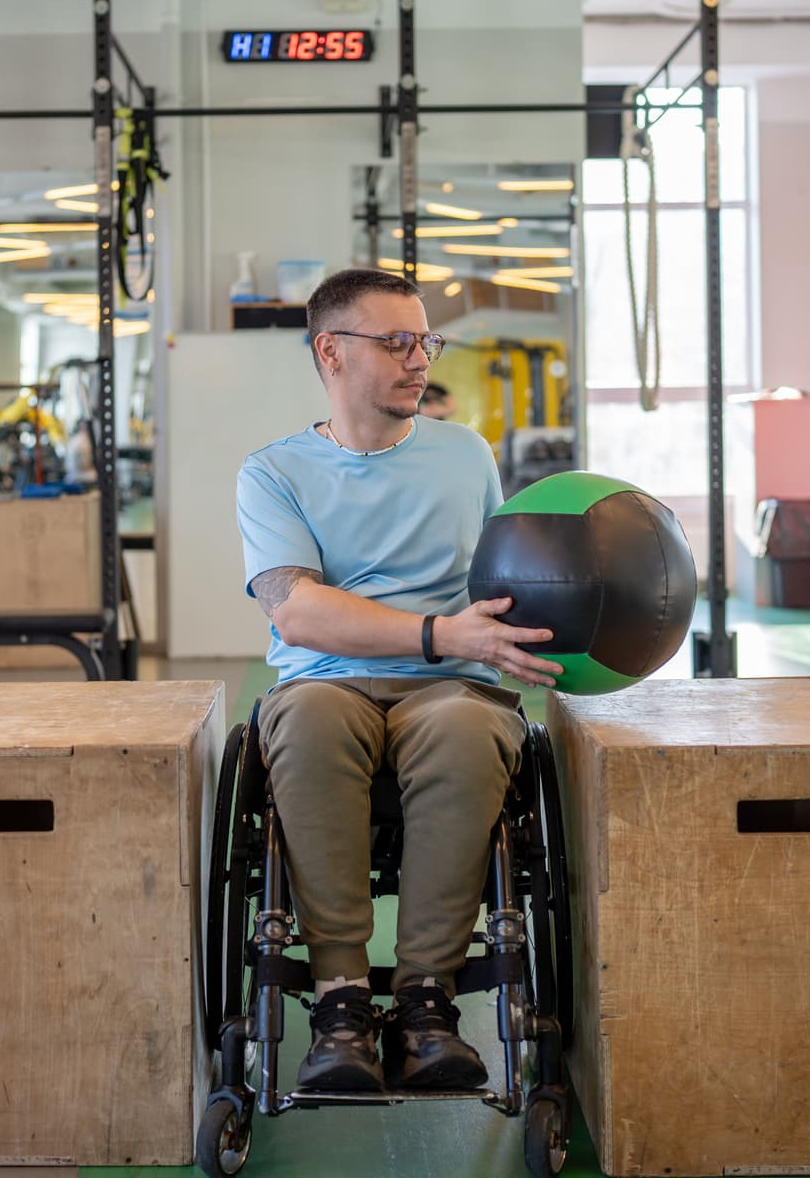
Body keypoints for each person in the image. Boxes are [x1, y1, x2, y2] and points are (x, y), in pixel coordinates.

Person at [234, 268, 561, 1094]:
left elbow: (502, 578)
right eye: (397, 342)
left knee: (467, 730)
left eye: (425, 342)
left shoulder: (466, 454)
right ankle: (341, 1004)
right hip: (326, 682)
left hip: (452, 688)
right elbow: (296, 611)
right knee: (308, 720)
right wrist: (438, 632)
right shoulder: (272, 472)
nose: (420, 360)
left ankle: (425, 1003)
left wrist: (537, 627)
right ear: (331, 353)